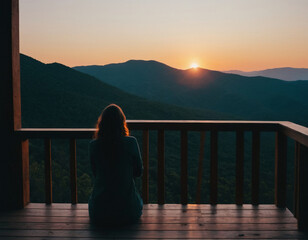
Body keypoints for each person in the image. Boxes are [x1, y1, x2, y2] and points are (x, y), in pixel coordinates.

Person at [88, 104, 143, 225]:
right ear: (121, 122)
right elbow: (139, 172)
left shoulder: (94, 145)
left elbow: (95, 173)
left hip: (99, 213)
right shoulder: (131, 142)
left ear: (102, 123)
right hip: (128, 212)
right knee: (138, 201)